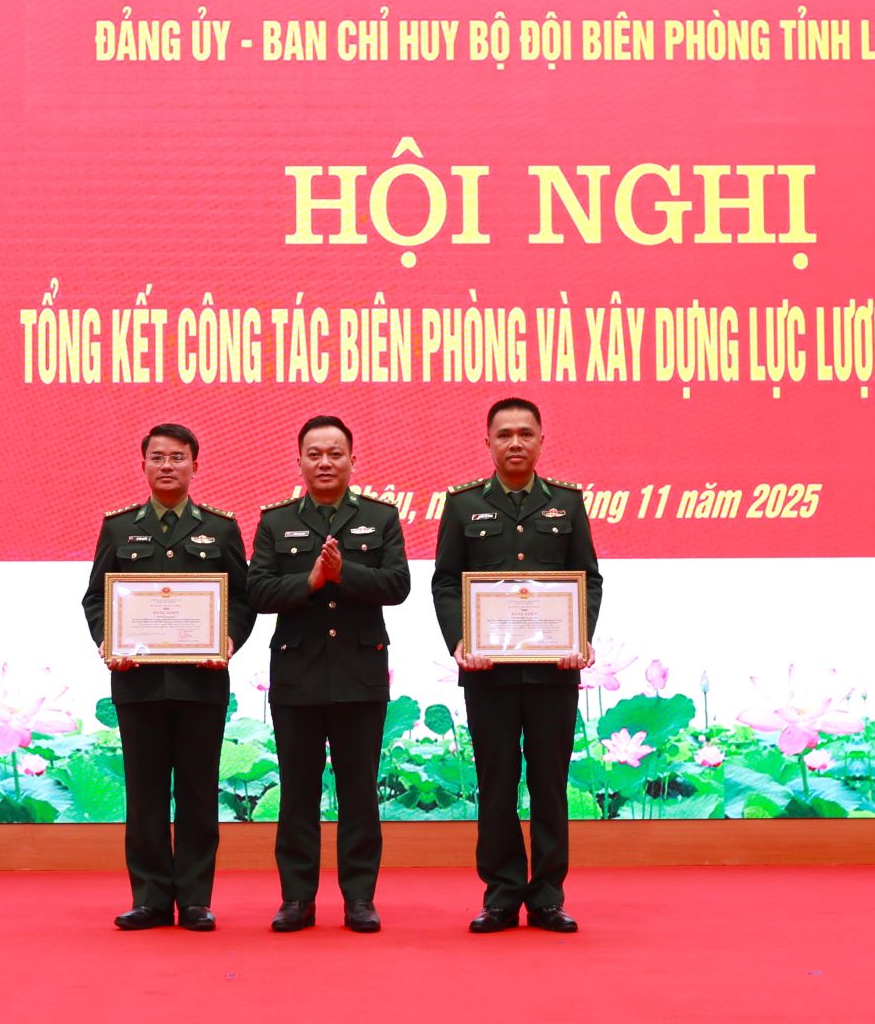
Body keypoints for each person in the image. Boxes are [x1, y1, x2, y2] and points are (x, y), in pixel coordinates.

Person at [431, 397, 602, 934]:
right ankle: (502, 895)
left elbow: (588, 579)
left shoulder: (567, 503)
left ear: (541, 441)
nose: (515, 443)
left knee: (550, 786)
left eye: (525, 434)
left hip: (554, 671)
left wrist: (579, 636)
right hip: (489, 673)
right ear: (487, 442)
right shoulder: (463, 506)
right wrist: (461, 640)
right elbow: (445, 582)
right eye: (504, 434)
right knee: (497, 785)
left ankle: (548, 897)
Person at [81, 424, 255, 932]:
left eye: (177, 457)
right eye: (157, 457)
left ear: (195, 465)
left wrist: (228, 640)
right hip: (138, 684)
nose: (167, 466)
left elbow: (242, 598)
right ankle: (151, 899)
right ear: (143, 465)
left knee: (199, 794)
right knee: (146, 795)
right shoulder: (119, 528)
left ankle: (195, 900)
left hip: (201, 684)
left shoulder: (220, 528)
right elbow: (96, 598)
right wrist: (108, 642)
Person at [248, 415, 409, 933]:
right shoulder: (276, 521)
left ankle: (359, 898)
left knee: (359, 793)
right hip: (297, 675)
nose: (324, 462)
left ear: (352, 460)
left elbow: (398, 584)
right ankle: (297, 899)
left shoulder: (381, 517)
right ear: (299, 461)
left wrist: (346, 574)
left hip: (360, 675)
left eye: (335, 453)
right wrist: (312, 581)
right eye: (314, 453)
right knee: (297, 794)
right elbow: (258, 591)